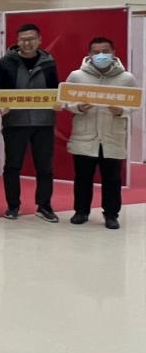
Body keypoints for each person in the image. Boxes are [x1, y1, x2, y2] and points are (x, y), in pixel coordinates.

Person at [63, 37, 138, 230]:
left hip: (112, 136)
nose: (101, 55)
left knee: (112, 179)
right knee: (83, 178)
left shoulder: (126, 78)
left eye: (105, 51)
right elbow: (65, 102)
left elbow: (135, 104)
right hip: (84, 136)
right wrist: (78, 107)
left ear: (113, 53)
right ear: (89, 54)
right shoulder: (77, 76)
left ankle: (111, 214)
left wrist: (121, 110)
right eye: (96, 52)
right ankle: (81, 211)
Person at [0, 23, 60, 222]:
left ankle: (44, 206)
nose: (27, 43)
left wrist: (58, 102)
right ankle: (13, 205)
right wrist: (0, 106)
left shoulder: (49, 63)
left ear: (39, 40)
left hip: (44, 122)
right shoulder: (4, 63)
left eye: (31, 39)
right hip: (15, 121)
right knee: (13, 165)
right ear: (17, 41)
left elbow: (55, 90)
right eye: (23, 39)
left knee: (45, 167)